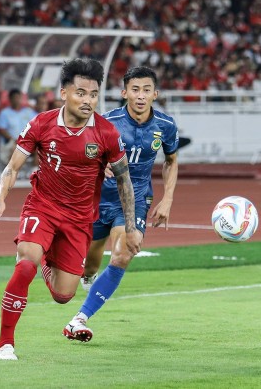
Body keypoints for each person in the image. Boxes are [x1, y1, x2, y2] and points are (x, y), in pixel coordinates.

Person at [0, 58, 142, 361]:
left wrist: (132, 227)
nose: (88, 101)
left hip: (79, 218)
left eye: (94, 94)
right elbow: (12, 167)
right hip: (42, 206)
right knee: (25, 263)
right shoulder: (42, 123)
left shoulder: (106, 133)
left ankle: (45, 256)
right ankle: (5, 344)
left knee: (63, 296)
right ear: (64, 94)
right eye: (81, 93)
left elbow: (125, 181)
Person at [63, 66, 179, 341]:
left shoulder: (166, 125)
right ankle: (89, 277)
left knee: (123, 254)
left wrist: (167, 200)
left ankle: (79, 319)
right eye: (135, 90)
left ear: (155, 94)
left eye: (147, 90)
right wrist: (97, 164)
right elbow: (84, 150)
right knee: (88, 266)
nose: (141, 96)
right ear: (124, 92)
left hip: (135, 199)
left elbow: (171, 161)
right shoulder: (106, 122)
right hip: (99, 198)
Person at [0, 88, 37, 163]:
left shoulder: (28, 111)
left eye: (18, 97)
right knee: (16, 149)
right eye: (14, 98)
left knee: (40, 149)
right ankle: (11, 173)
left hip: (27, 141)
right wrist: (15, 140)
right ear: (10, 99)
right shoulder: (5, 113)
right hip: (11, 142)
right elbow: (2, 130)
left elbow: (38, 124)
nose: (17, 100)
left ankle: (34, 171)